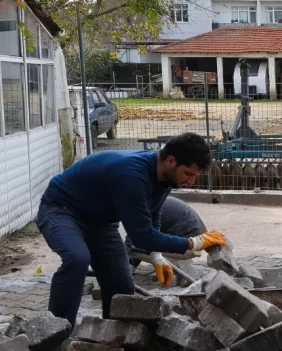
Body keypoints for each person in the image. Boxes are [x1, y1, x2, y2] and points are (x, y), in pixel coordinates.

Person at [37, 133, 226, 324]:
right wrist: (194, 243)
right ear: (170, 161)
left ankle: (112, 340)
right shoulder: (131, 175)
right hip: (62, 210)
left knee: (121, 289)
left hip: (101, 222)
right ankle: (57, 332)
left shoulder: (165, 177)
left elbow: (153, 213)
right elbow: (141, 237)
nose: (191, 181)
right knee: (77, 259)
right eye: (188, 174)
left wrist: (156, 255)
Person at [124, 196, 207, 269]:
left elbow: (133, 241)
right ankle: (131, 266)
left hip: (190, 247)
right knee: (141, 242)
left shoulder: (144, 211)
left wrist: (122, 267)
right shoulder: (154, 202)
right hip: (197, 241)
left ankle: (176, 265)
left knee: (135, 247)